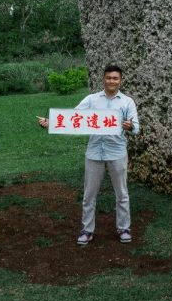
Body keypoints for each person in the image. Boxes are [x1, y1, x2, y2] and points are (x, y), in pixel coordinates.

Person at [38, 64, 140, 245]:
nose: (112, 81)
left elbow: (136, 128)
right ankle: (87, 230)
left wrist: (130, 126)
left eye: (115, 78)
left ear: (121, 81)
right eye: (109, 78)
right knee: (89, 195)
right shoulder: (92, 99)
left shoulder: (127, 102)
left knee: (122, 194)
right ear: (104, 79)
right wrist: (51, 122)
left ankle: (124, 228)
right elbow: (73, 117)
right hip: (94, 153)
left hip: (117, 152)